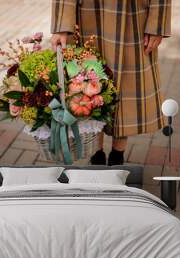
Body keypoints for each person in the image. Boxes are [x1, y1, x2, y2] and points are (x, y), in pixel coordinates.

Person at [51, 0, 172, 165]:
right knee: (88, 84)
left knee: (126, 86)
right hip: (88, 12)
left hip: (133, 14)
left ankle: (118, 156)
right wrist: (61, 25)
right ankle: (96, 155)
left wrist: (157, 24)